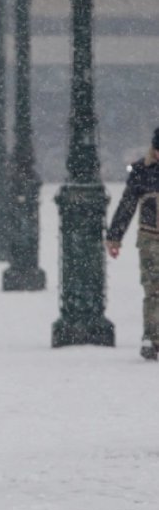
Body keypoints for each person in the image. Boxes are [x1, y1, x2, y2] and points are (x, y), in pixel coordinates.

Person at [106, 126, 159, 360]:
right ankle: (151, 337)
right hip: (150, 239)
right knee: (153, 290)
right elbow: (127, 206)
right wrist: (114, 236)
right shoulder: (142, 171)